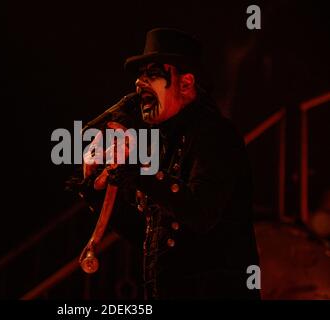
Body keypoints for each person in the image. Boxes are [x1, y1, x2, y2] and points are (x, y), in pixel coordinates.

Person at [72, 28, 260, 299]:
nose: (139, 83)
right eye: (139, 75)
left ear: (185, 84)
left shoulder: (215, 135)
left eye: (153, 73)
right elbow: (148, 237)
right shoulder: (160, 145)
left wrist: (137, 169)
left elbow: (200, 213)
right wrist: (95, 191)